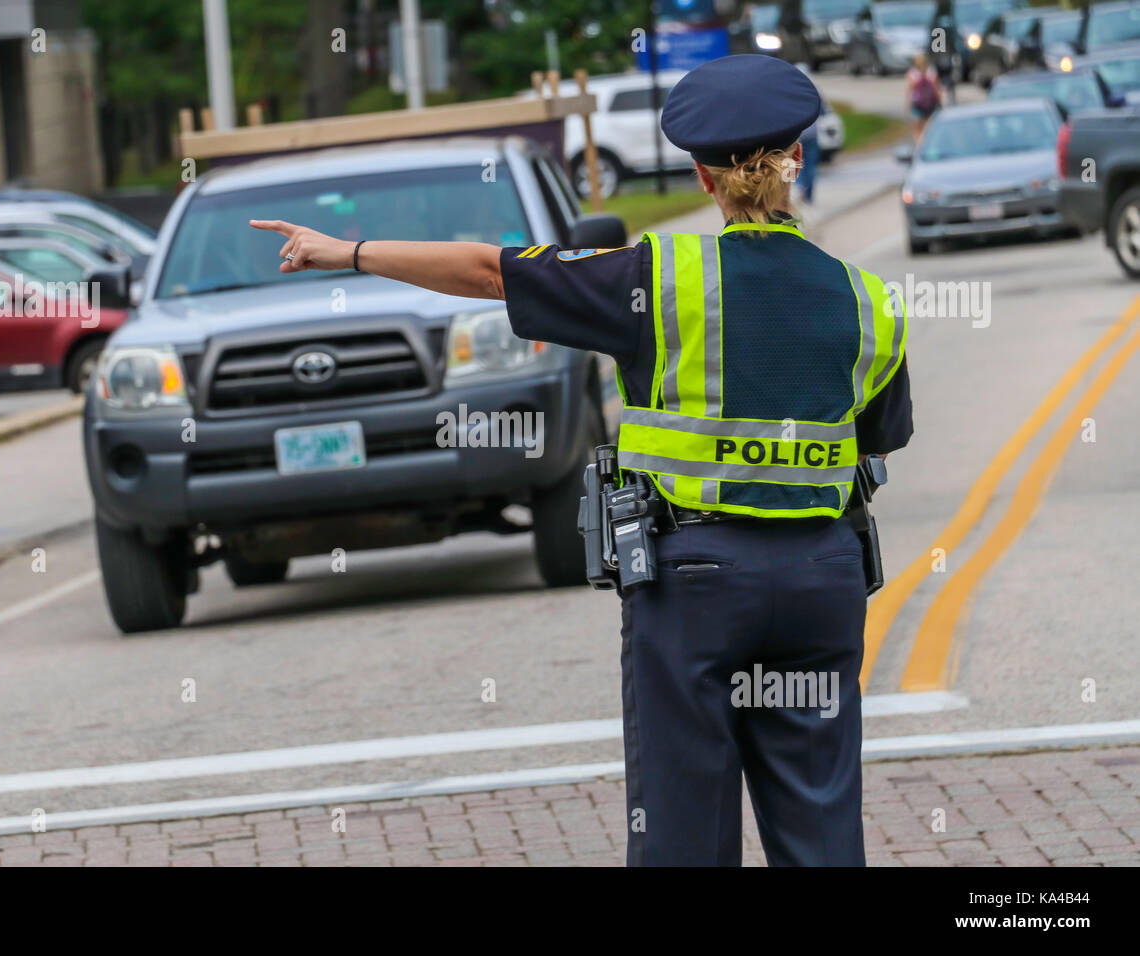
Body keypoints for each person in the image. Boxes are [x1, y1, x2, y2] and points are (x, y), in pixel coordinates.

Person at [250, 54, 913, 867]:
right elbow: (877, 439)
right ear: (796, 160)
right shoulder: (871, 301)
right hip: (822, 579)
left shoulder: (655, 279)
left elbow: (486, 270)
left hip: (696, 585)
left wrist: (344, 252)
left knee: (684, 830)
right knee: (820, 826)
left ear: (703, 177)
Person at [907, 52, 942, 142]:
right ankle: (929, 142)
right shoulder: (932, 72)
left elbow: (910, 90)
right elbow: (937, 88)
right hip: (931, 103)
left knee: (918, 127)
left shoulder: (912, 74)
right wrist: (940, 101)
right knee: (930, 125)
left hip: (917, 103)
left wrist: (909, 104)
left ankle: (919, 144)